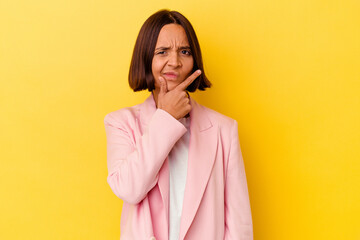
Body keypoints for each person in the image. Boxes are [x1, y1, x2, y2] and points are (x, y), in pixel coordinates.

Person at [104, 9, 253, 240]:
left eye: (184, 51)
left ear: (194, 60)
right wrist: (165, 118)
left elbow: (239, 226)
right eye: (162, 52)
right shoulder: (121, 123)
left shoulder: (224, 129)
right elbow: (129, 189)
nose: (174, 62)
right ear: (146, 58)